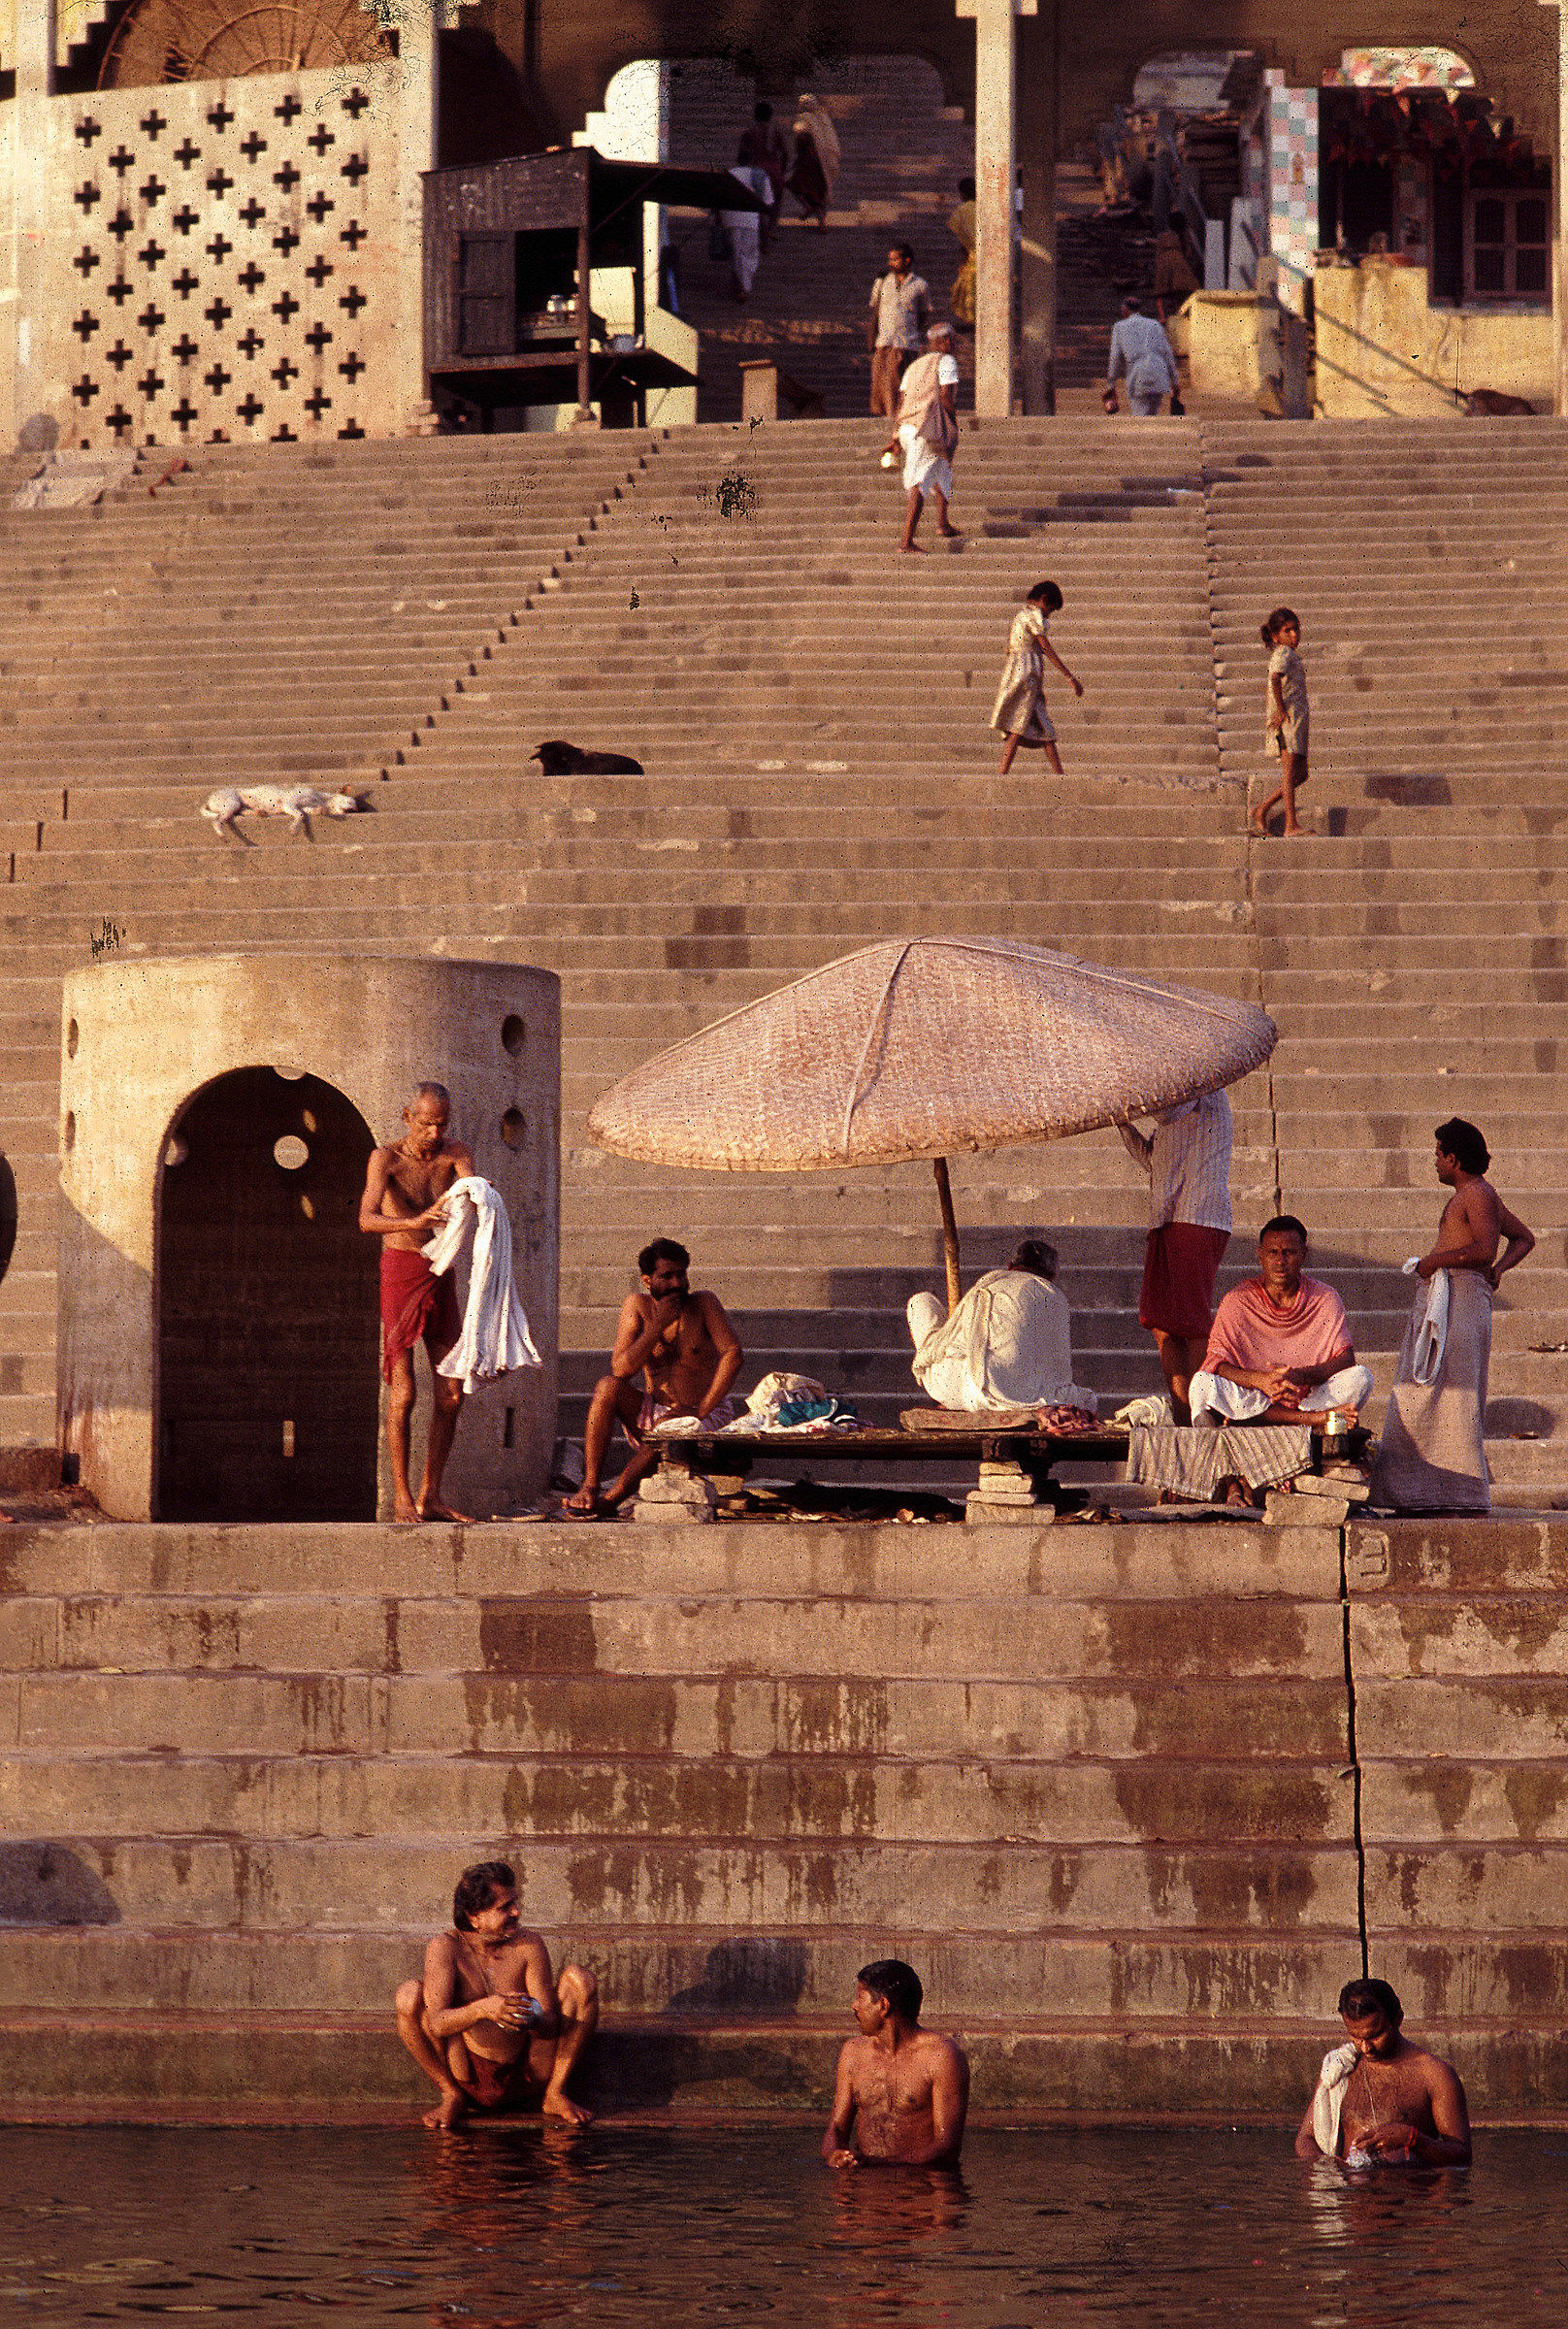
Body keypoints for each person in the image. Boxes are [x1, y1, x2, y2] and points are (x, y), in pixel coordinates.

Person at [1372, 1118, 1534, 1514]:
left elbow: (1486, 1250)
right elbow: (1522, 1238)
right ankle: (1422, 1495)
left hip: (1461, 1300)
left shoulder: (1478, 1194)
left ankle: (1455, 1497)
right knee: (1426, 1391)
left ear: (1454, 1158)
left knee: (1451, 1394)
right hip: (1451, 1298)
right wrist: (1495, 1271)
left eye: (1438, 1155)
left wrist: (1437, 1261)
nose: (1435, 1162)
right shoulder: (1476, 1194)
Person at [395, 1859, 599, 2131]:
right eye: (505, 1907)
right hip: (466, 2076)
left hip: (529, 2073)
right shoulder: (445, 1947)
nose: (516, 1912)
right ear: (474, 1917)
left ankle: (554, 2093)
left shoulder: (529, 1944)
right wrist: (483, 2009)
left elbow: (551, 2025)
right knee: (408, 1995)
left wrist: (531, 2017)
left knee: (580, 1980)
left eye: (515, 1903)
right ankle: (450, 2094)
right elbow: (436, 2024)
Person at [360, 1081, 474, 1525]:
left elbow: (473, 1189)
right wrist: (415, 1221)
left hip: (441, 1268)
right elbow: (366, 1219)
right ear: (408, 1118)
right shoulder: (385, 1158)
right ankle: (402, 1496)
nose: (433, 1133)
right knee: (403, 1389)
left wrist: (479, 1193)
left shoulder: (454, 1153)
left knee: (452, 1392)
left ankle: (431, 1494)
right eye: (425, 1124)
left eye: (441, 1124)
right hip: (401, 1267)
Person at [564, 1237, 744, 1517]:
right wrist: (657, 1325)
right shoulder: (637, 1306)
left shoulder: (704, 1303)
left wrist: (700, 1410)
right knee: (607, 1386)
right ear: (647, 1280)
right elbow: (621, 1369)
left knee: (667, 1431)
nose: (677, 1283)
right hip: (655, 1411)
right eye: (667, 1276)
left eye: (681, 1274)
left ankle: (610, 1501)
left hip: (706, 1413)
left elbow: (733, 1354)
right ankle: (589, 1486)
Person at [1189, 1215, 1374, 1431]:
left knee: (1361, 1377)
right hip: (1254, 1397)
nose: (1280, 1261)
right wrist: (1260, 1380)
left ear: (1303, 1255)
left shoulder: (1325, 1297)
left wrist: (1298, 1376)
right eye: (1273, 1252)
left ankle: (1280, 1418)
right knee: (1202, 1383)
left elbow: (1345, 1358)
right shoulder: (1238, 1299)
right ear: (1260, 1255)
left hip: (1306, 1398)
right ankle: (1311, 1420)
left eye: (1289, 1252)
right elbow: (1217, 1363)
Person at [1118, 1092, 1232, 1424]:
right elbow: (1153, 1161)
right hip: (1166, 1218)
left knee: (1191, 1324)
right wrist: (1121, 1122)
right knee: (1161, 1324)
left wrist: (1123, 1097)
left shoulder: (1203, 1086)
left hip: (1198, 1217)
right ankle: (1184, 1415)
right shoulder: (1169, 1100)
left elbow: (1168, 1113)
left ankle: (1202, 1411)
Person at [907, 1238, 1097, 1417]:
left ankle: (955, 1399)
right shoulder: (1056, 1298)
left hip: (965, 1389)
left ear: (1010, 1265)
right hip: (1030, 1398)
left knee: (920, 1301)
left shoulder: (989, 1284)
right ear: (1052, 1275)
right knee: (1086, 1399)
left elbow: (942, 1344)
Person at [1294, 1977, 1471, 2167]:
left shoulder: (1434, 2074)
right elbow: (1305, 2138)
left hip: (1407, 2184)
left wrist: (1412, 2139)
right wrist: (1326, 2166)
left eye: (1376, 2035)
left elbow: (1462, 2156)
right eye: (1355, 2036)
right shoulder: (1339, 2067)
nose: (1365, 2048)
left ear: (1398, 2019)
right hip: (1344, 2185)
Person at [822, 1960, 969, 2168]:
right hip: (865, 2177)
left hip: (920, 2180)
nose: (854, 2006)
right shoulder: (853, 2052)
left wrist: (878, 2164)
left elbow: (947, 2147)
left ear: (883, 2006)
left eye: (860, 1998)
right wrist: (833, 2154)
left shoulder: (941, 2056)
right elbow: (836, 2128)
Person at [991, 579, 1084, 775]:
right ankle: (1003, 773)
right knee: (1018, 725)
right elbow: (1045, 647)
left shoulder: (1021, 615)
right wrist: (1070, 677)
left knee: (1042, 729)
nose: (1049, 614)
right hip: (1028, 674)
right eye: (1050, 609)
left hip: (1021, 672)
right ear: (1043, 600)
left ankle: (1058, 775)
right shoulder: (1034, 615)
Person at [885, 321, 960, 553]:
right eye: (953, 339)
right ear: (945, 341)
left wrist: (895, 434)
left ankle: (943, 523)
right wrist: (953, 424)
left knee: (942, 468)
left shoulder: (915, 365)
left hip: (908, 427)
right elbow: (946, 396)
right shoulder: (946, 361)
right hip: (927, 428)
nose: (955, 343)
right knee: (920, 481)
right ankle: (906, 541)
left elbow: (901, 401)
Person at [1253, 606, 1311, 837]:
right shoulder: (1283, 653)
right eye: (1288, 631)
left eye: (1296, 629)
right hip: (1288, 722)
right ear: (1275, 636)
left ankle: (1262, 809)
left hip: (1297, 721)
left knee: (1301, 774)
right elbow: (1275, 678)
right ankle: (1290, 825)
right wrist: (1280, 709)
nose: (1294, 635)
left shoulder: (1289, 654)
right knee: (1288, 774)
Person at [867, 244, 931, 420]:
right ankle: (889, 417)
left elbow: (924, 313)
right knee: (884, 383)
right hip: (885, 341)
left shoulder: (920, 285)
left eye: (895, 259)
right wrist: (872, 338)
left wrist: (912, 330)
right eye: (890, 259)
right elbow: (875, 310)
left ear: (906, 260)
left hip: (907, 343)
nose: (891, 263)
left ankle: (902, 416)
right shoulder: (882, 283)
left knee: (904, 383)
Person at [1102, 295, 1181, 416]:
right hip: (1159, 373)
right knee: (1152, 415)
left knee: (1140, 417)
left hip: (1138, 375)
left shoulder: (1119, 327)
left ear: (1124, 309)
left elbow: (1115, 357)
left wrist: (1111, 384)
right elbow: (1167, 353)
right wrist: (1174, 381)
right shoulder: (1155, 324)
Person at [737, 101, 790, 242]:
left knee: (757, 203)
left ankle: (761, 229)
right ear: (770, 116)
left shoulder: (749, 132)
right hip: (774, 170)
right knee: (776, 202)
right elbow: (785, 153)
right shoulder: (776, 132)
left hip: (756, 170)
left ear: (755, 115)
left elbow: (742, 156)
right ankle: (771, 229)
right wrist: (782, 171)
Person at [789, 93, 840, 230]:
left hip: (810, 161)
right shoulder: (824, 118)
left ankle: (811, 209)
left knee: (797, 186)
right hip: (827, 160)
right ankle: (821, 221)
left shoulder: (804, 118)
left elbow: (801, 136)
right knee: (821, 190)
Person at [722, 163, 768, 301]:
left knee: (736, 252)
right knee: (747, 254)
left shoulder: (729, 174)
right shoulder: (760, 175)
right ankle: (744, 287)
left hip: (730, 218)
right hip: (750, 220)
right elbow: (767, 202)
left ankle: (739, 285)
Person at [947, 175, 977, 327]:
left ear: (963, 194)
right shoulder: (986, 207)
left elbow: (961, 239)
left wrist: (963, 261)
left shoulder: (962, 210)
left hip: (972, 258)